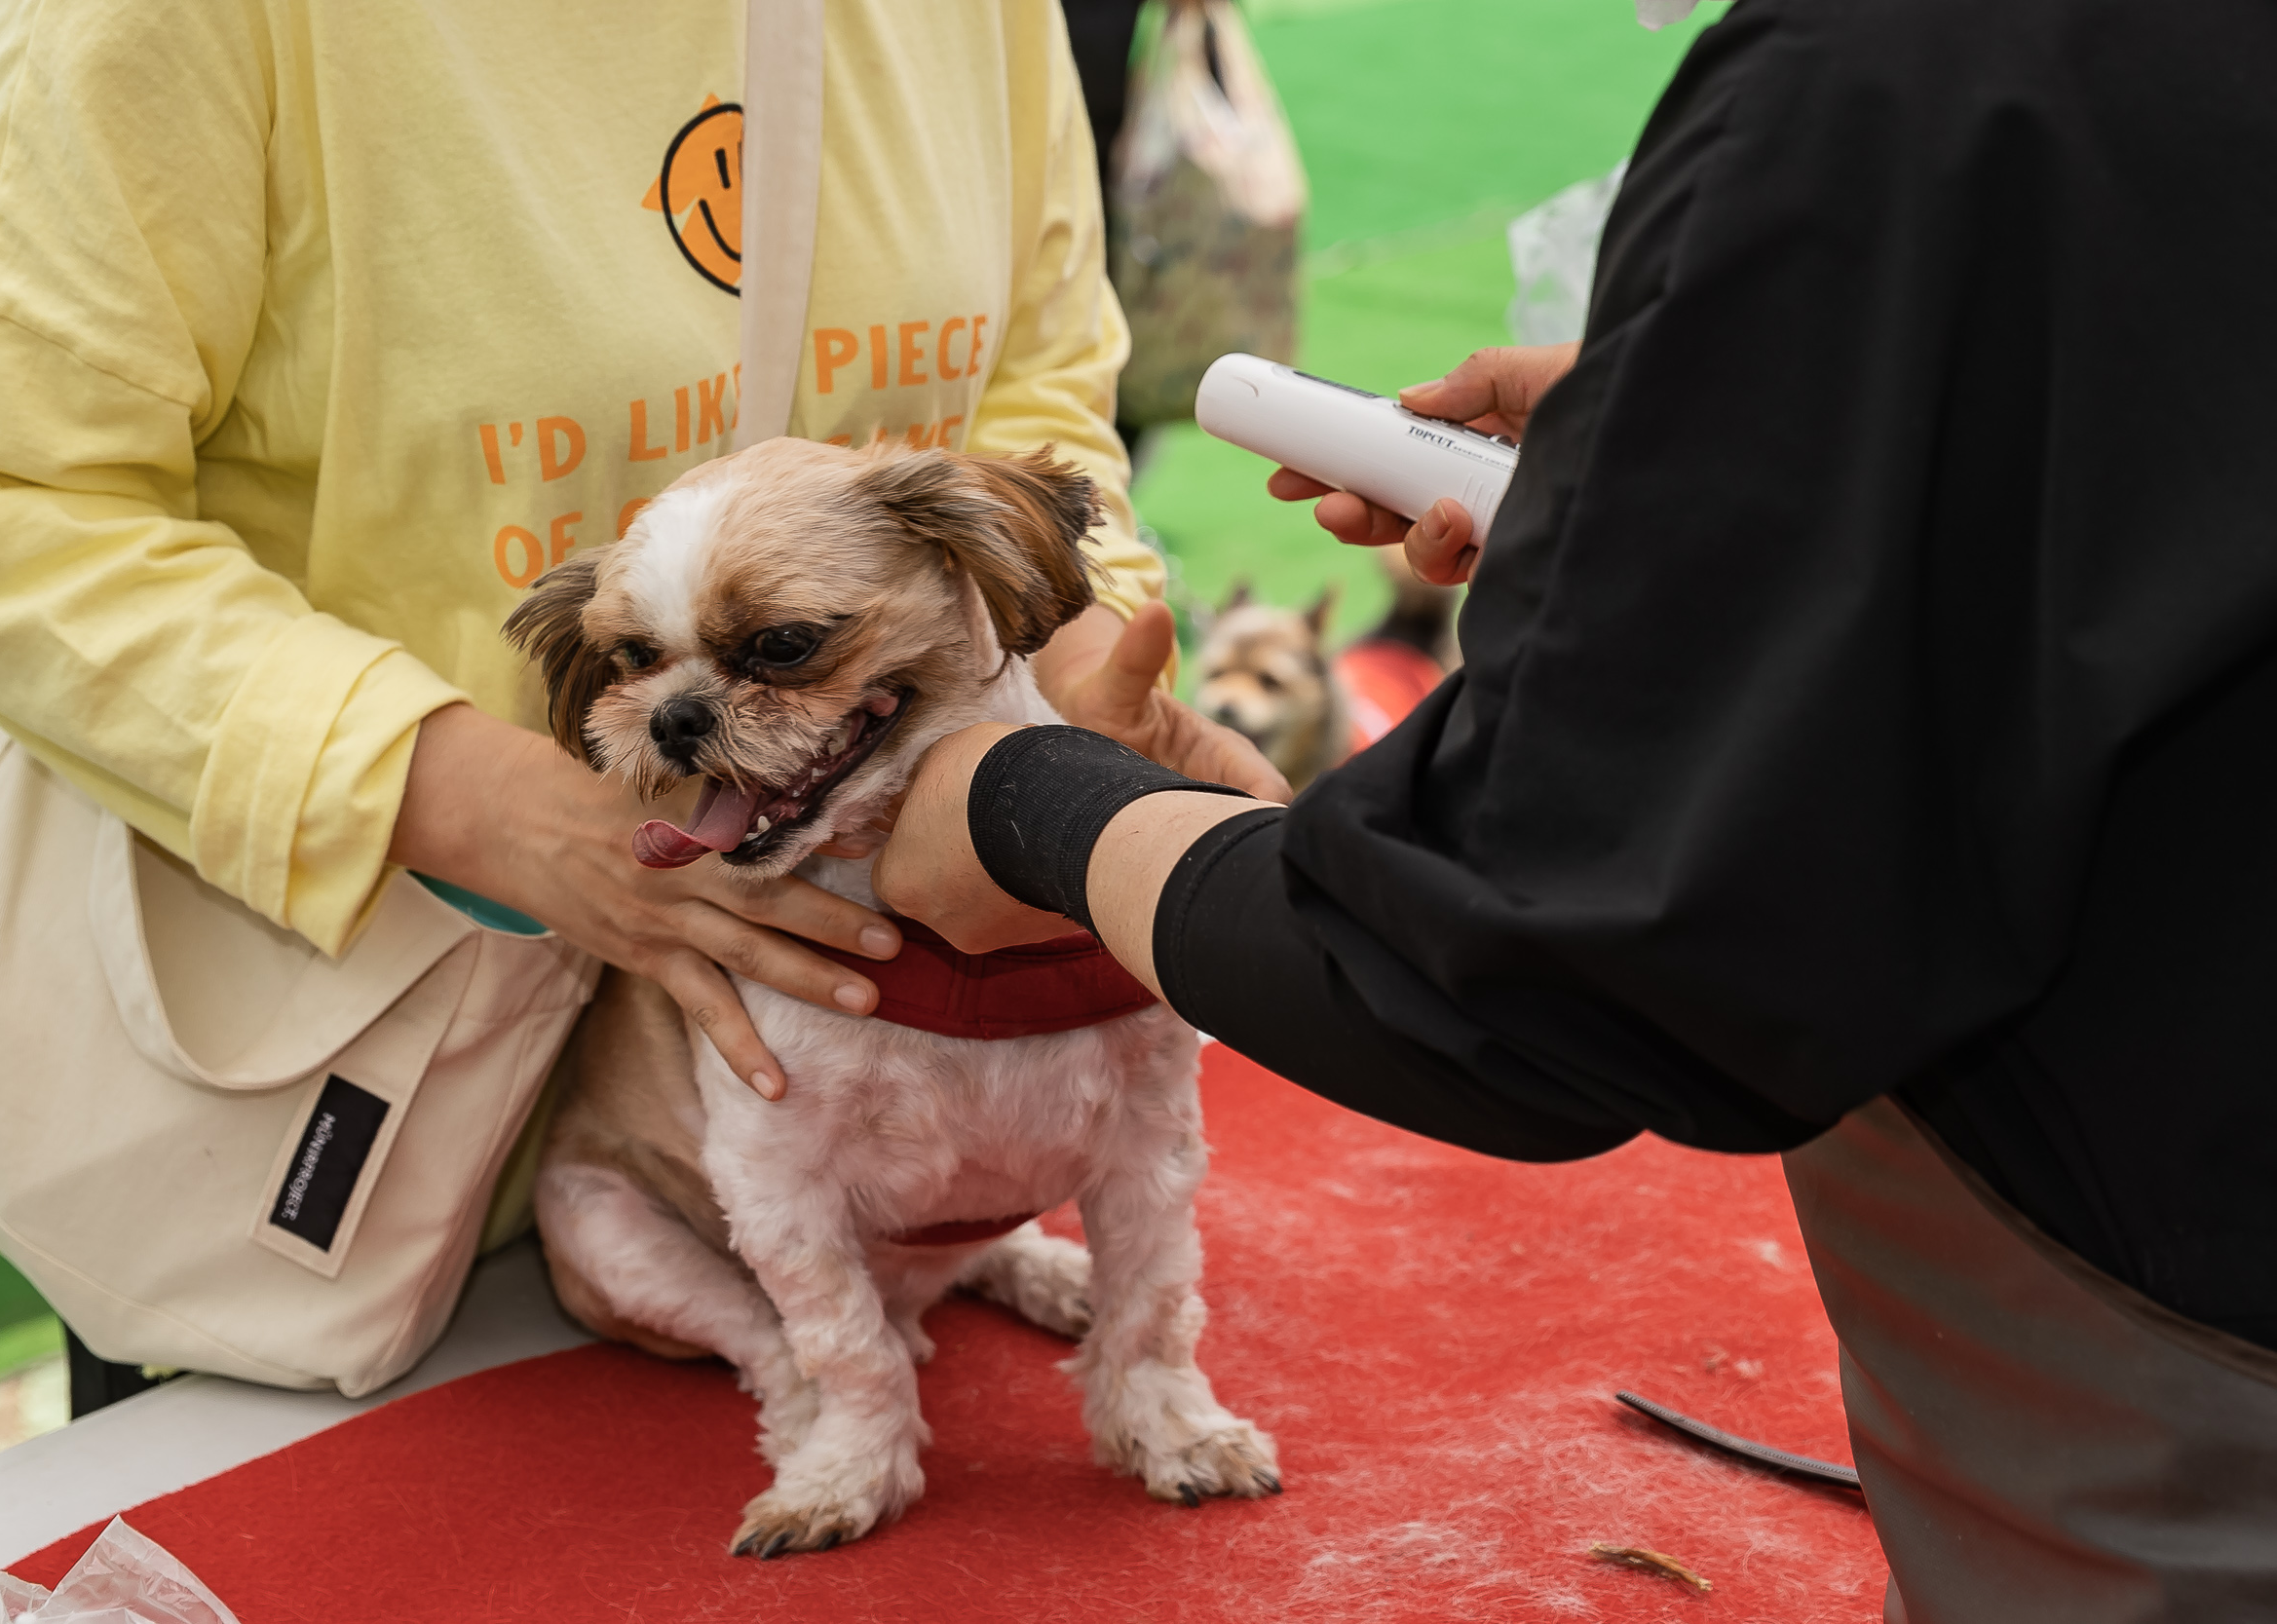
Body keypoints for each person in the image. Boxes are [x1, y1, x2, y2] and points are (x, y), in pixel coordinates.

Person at [873, 2, 2277, 1618]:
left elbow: (1531, 961)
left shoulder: (1901, 71)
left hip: (2190, 1360)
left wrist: (1030, 801)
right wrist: (1741, 426)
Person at [0, 0, 1277, 1407]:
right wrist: (493, 804)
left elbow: (1034, 376)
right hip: (316, 1094)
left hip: (883, 1092)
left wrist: (1073, 686)